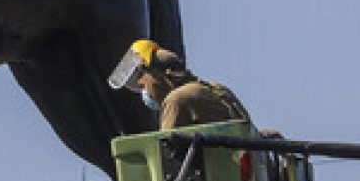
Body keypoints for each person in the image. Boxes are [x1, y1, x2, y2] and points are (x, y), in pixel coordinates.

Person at [108, 38, 252, 130]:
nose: (141, 85)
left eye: (140, 76)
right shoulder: (217, 89)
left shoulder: (176, 100)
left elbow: (165, 155)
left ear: (157, 74)